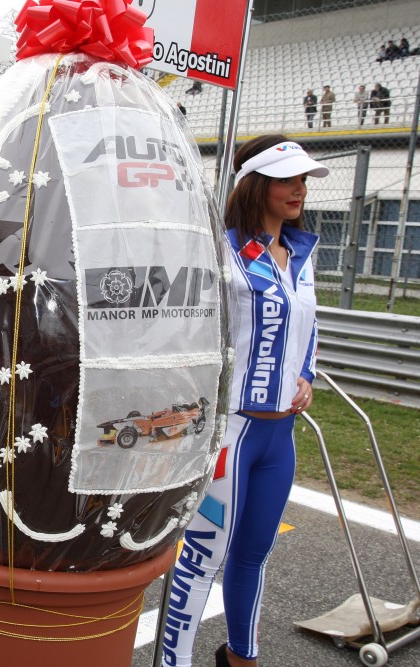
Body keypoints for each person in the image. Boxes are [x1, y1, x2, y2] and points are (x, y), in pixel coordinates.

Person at [161, 135, 327, 667]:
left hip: (280, 437)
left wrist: (306, 374)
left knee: (254, 554)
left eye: (303, 180)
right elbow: (189, 329)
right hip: (230, 432)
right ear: (257, 184)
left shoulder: (302, 252)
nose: (299, 190)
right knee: (201, 560)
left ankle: (241, 657)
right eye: (288, 179)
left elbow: (309, 324)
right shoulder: (222, 249)